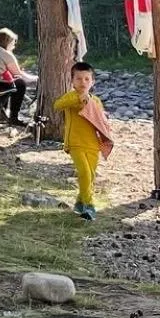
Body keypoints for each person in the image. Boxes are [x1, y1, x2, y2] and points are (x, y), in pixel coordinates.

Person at [52, 61, 115, 220]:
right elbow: (57, 105)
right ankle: (89, 206)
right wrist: (78, 99)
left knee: (91, 176)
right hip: (75, 143)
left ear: (92, 81)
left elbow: (100, 120)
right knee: (85, 174)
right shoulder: (71, 97)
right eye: (79, 79)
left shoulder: (96, 101)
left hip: (93, 145)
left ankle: (79, 203)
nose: (83, 82)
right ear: (72, 81)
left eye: (87, 79)